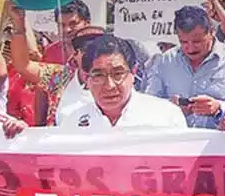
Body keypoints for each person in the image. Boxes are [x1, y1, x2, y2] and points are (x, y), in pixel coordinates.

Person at [143, 5, 225, 129]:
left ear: (211, 32)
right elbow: (149, 104)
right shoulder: (165, 61)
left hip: (218, 144)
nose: (190, 48)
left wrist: (219, 108)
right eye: (184, 42)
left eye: (197, 42)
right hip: (175, 143)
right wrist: (170, 108)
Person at [58, 35, 187, 130]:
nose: (109, 86)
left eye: (118, 74)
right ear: (87, 78)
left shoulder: (166, 117)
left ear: (134, 72)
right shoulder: (72, 123)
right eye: (98, 75)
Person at [8, 5, 105, 125]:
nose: (67, 30)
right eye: (82, 48)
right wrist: (18, 23)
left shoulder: (115, 82)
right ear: (75, 54)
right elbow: (24, 66)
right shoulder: (59, 76)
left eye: (73, 23)